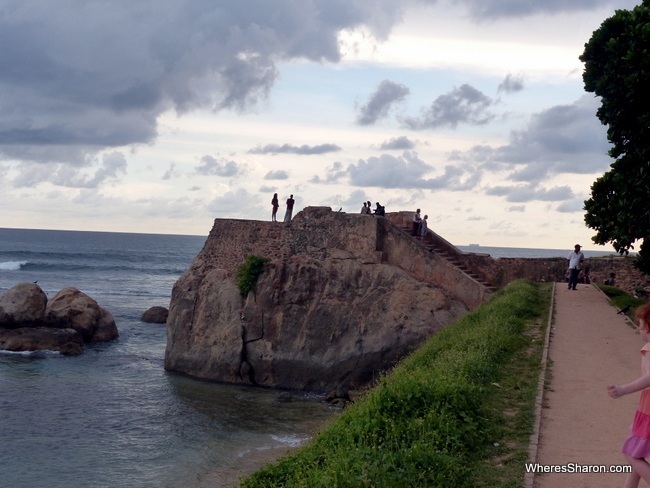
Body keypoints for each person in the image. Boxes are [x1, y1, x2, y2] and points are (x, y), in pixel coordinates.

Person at [607, 303, 650, 487]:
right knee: (637, 452)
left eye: (640, 326)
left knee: (631, 453)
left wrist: (624, 389)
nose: (638, 330)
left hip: (649, 410)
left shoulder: (649, 349)